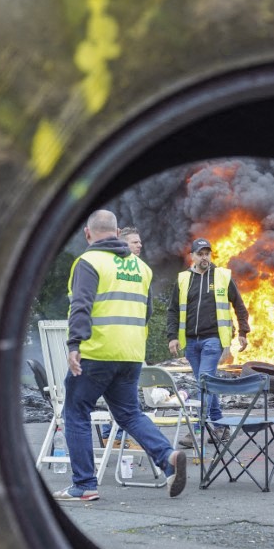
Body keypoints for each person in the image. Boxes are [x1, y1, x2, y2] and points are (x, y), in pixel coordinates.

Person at [55, 209, 188, 501]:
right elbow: (148, 310)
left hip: (97, 351)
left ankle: (84, 484)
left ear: (88, 234)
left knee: (76, 412)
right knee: (129, 413)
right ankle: (167, 457)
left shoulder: (88, 262)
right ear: (117, 234)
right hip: (130, 354)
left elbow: (81, 305)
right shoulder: (141, 268)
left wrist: (74, 343)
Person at [166, 237, 250, 445]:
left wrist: (243, 331)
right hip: (191, 343)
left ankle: (196, 429)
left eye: (207, 253)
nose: (204, 257)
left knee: (204, 381)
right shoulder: (183, 279)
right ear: (192, 256)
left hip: (214, 340)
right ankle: (221, 427)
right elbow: (173, 310)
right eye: (200, 254)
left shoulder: (222, 276)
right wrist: (172, 337)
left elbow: (239, 305)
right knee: (206, 384)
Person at [101, 225, 143, 448]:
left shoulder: (137, 268)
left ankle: (114, 436)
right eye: (135, 242)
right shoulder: (139, 270)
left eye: (139, 241)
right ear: (122, 243)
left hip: (122, 345)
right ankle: (114, 436)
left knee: (120, 400)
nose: (140, 245)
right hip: (121, 346)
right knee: (127, 404)